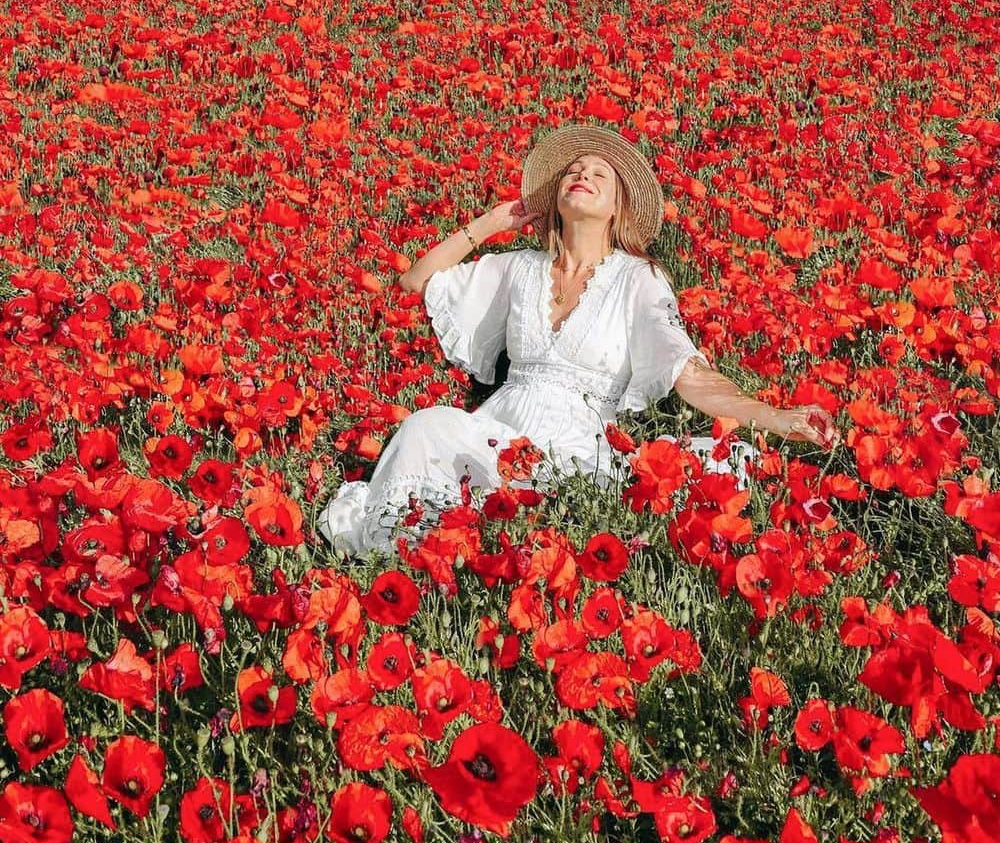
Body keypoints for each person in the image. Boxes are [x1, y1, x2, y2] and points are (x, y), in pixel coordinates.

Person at [317, 122, 838, 558]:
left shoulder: (639, 279)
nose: (581, 175)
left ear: (617, 208)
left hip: (575, 451)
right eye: (573, 171)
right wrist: (493, 222)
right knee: (424, 426)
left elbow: (688, 373)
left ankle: (448, 543)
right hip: (496, 432)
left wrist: (777, 417)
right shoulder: (520, 269)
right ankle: (398, 554)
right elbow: (416, 280)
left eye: (598, 175)